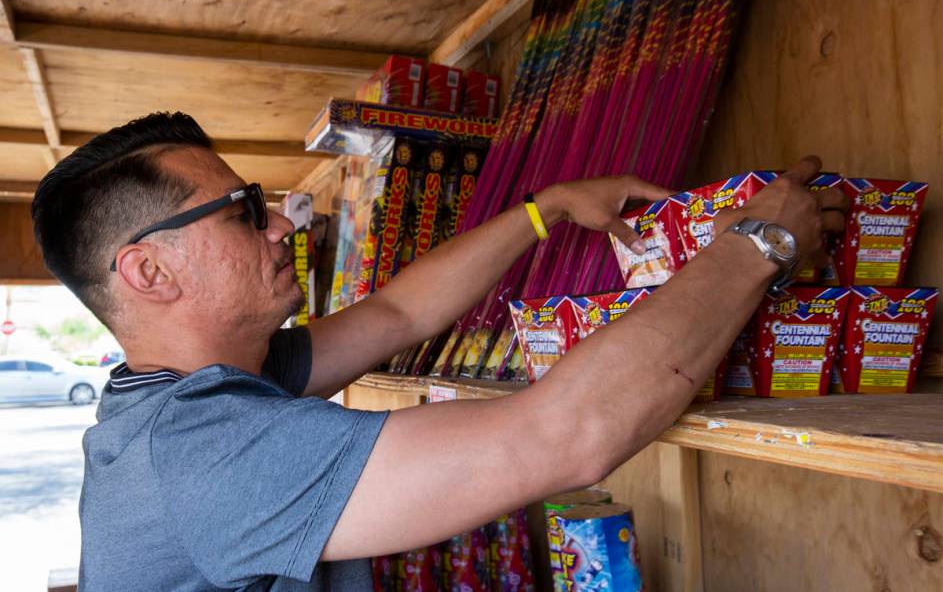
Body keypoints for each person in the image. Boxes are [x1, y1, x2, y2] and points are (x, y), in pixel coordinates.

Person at [31, 112, 847, 591]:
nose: (282, 223)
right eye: (245, 211)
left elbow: (394, 313)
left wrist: (546, 210)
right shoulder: (207, 455)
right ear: (148, 268)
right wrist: (755, 245)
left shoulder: (196, 394)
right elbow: (560, 436)